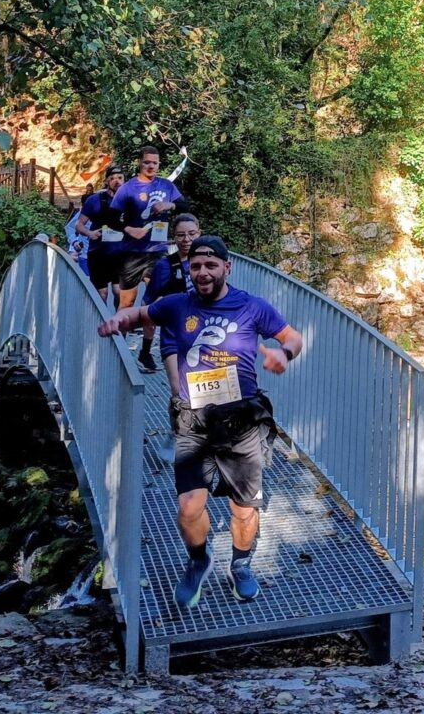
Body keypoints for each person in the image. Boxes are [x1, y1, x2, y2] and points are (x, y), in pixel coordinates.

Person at [98, 235, 304, 607]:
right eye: (195, 266)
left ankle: (241, 564)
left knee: (243, 512)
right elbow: (140, 315)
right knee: (189, 507)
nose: (203, 272)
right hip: (193, 421)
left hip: (242, 422)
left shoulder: (251, 307)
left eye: (211, 265)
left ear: (227, 267)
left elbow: (293, 336)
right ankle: (199, 560)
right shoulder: (177, 305)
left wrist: (284, 354)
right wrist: (118, 318)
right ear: (188, 271)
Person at [111, 147, 186, 372]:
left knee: (155, 304)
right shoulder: (127, 189)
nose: (151, 166)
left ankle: (145, 352)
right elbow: (112, 219)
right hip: (132, 252)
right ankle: (120, 351)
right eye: (147, 163)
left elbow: (185, 206)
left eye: (155, 163)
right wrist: (129, 229)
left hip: (158, 251)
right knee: (126, 303)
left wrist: (169, 205)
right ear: (139, 163)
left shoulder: (166, 186)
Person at [145, 213, 202, 390]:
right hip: (174, 337)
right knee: (180, 394)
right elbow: (147, 304)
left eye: (192, 234)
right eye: (180, 235)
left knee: (204, 394)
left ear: (200, 233)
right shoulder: (165, 266)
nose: (187, 239)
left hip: (204, 335)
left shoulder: (209, 261)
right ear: (174, 237)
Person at [76, 165, 127, 303]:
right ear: (106, 181)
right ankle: (101, 322)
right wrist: (90, 233)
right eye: (113, 178)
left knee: (119, 292)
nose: (117, 181)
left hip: (120, 255)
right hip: (98, 254)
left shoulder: (129, 201)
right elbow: (79, 225)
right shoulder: (94, 200)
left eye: (120, 178)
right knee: (101, 294)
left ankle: (117, 322)